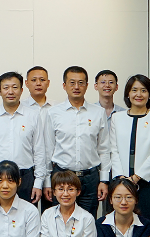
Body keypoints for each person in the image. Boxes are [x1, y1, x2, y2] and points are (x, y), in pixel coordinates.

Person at [42, 66, 110, 216]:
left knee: (88, 221)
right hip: (61, 177)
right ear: (64, 85)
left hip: (90, 178)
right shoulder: (53, 113)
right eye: (72, 83)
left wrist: (104, 180)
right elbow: (48, 150)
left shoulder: (98, 112)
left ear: (87, 85)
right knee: (61, 220)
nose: (76, 87)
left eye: (81, 83)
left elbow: (104, 149)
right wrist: (47, 181)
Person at [108, 74, 150, 232]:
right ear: (128, 93)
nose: (138, 94)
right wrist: (121, 177)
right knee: (121, 224)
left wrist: (136, 178)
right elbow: (113, 149)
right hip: (121, 180)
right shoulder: (117, 118)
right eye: (134, 90)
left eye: (143, 90)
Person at [0, 72, 45, 205]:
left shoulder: (33, 116)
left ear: (21, 90)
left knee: (26, 215)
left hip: (25, 177)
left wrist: (38, 182)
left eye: (15, 87)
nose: (10, 92)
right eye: (6, 88)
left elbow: (39, 150)